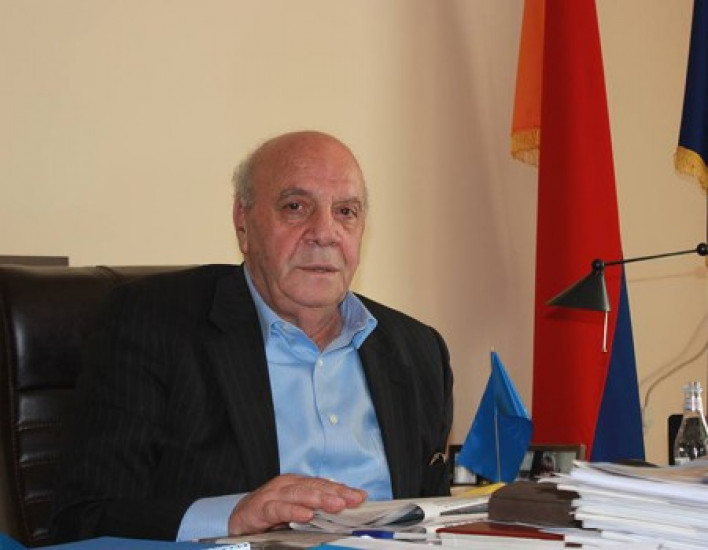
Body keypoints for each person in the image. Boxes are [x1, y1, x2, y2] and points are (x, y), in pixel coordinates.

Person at [51, 131, 454, 542]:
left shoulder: (419, 351)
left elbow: (434, 521)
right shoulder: (152, 324)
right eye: (295, 207)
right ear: (243, 223)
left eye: (346, 212)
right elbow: (84, 520)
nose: (325, 232)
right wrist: (234, 516)